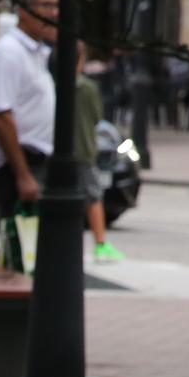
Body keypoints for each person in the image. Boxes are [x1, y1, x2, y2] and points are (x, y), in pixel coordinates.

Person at [0, 0, 59, 228]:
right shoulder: (9, 53)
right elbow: (1, 114)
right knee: (21, 247)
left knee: (25, 249)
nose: (53, 14)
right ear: (23, 9)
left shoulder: (34, 52)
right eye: (46, 5)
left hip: (33, 160)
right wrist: (22, 174)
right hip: (15, 163)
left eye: (57, 6)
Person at [74, 43, 124, 263]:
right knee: (93, 197)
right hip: (83, 149)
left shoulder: (51, 81)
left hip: (57, 151)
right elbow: (97, 118)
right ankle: (100, 244)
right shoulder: (86, 87)